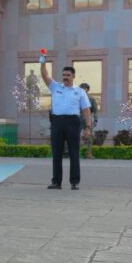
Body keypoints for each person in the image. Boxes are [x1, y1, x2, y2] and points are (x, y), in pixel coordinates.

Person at [40, 58, 91, 190]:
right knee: (56, 152)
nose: (65, 77)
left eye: (68, 75)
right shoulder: (55, 87)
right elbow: (45, 75)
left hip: (72, 122)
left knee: (74, 152)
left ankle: (74, 182)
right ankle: (56, 182)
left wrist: (88, 127)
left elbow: (86, 110)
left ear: (73, 77)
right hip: (57, 122)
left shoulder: (80, 92)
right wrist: (43, 63)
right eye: (63, 75)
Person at [80, 83, 98, 159]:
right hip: (77, 118)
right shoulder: (77, 98)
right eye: (82, 88)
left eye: (85, 88)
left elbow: (95, 110)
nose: (83, 89)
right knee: (75, 136)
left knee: (89, 136)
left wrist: (96, 119)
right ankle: (75, 153)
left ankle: (89, 153)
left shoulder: (91, 99)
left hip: (87, 119)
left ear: (87, 89)